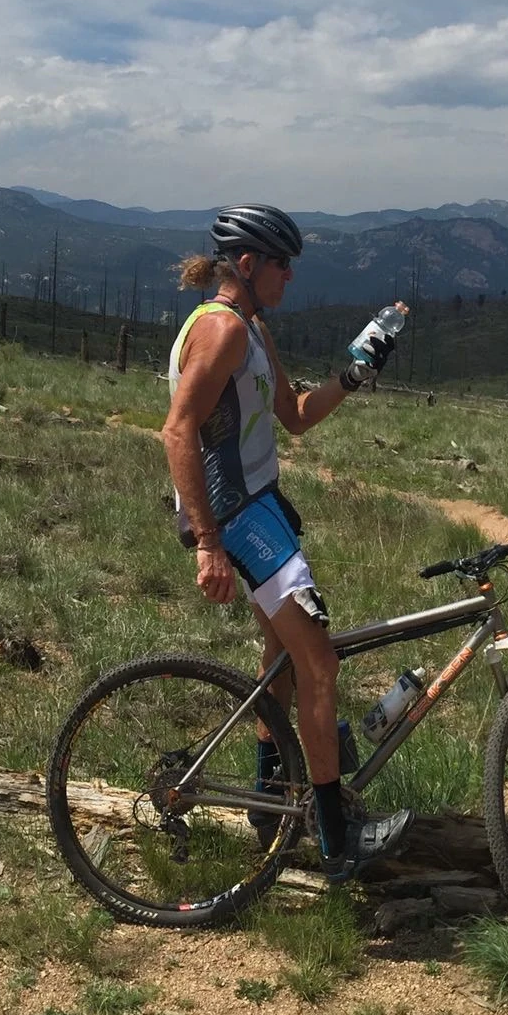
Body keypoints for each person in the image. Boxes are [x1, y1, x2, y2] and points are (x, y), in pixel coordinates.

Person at [161, 203, 409, 878]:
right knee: (319, 664)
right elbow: (178, 431)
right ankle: (336, 840)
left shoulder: (252, 329)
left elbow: (295, 417)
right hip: (238, 517)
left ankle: (270, 806)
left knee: (281, 661)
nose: (290, 277)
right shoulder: (220, 333)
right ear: (248, 264)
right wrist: (209, 545)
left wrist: (354, 376)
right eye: (282, 264)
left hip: (262, 507)